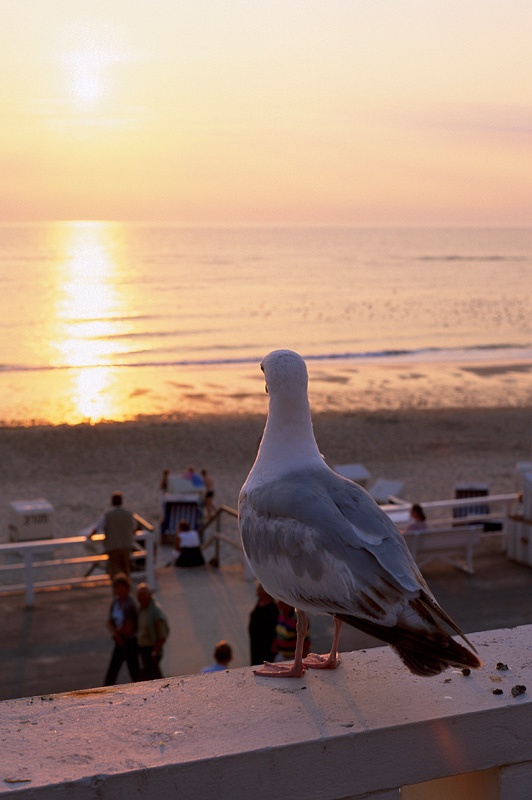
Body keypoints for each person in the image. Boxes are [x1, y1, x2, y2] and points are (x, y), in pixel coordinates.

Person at [89, 491, 138, 577]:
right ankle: (126, 588)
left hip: (113, 547)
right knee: (126, 570)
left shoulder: (108, 515)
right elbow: (134, 529)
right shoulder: (129, 515)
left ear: (112, 502)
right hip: (126, 546)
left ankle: (117, 589)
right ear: (122, 502)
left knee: (115, 572)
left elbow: (97, 528)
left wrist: (89, 536)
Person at [104, 573, 140, 685]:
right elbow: (109, 621)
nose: (119, 590)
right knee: (112, 671)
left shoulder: (130, 604)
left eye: (121, 587)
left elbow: (128, 628)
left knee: (134, 671)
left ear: (127, 587)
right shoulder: (115, 602)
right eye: (117, 587)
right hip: (119, 640)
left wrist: (115, 631)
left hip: (129, 642)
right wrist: (117, 633)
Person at [136, 583, 170, 680]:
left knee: (147, 676)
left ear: (149, 595)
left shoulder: (155, 611)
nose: (141, 597)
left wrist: (155, 651)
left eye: (143, 595)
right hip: (143, 649)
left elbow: (162, 634)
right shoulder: (141, 610)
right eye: (139, 595)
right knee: (153, 676)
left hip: (152, 649)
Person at [248, 584, 279, 666]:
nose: (257, 591)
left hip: (267, 643)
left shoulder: (273, 608)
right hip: (256, 642)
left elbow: (277, 627)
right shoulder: (259, 603)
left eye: (259, 589)